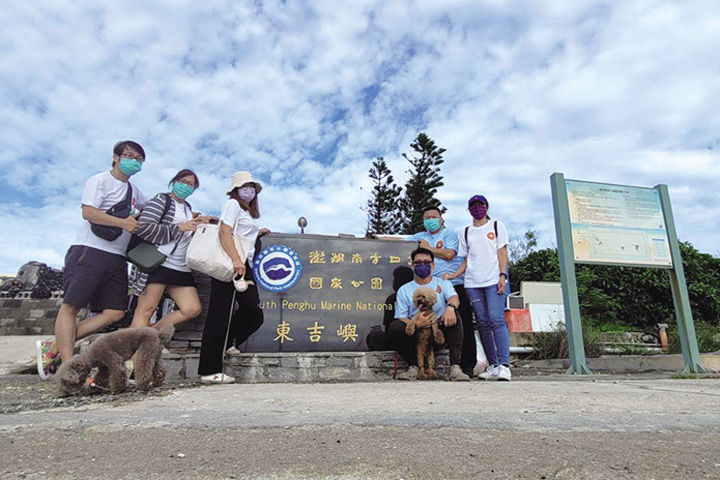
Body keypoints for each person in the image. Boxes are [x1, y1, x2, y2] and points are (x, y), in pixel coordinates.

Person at [36, 140, 148, 380]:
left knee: (116, 312)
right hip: (90, 250)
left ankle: (54, 346)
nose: (134, 162)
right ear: (116, 157)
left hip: (117, 257)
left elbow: (152, 214)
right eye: (130, 156)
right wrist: (122, 223)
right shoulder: (99, 181)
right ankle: (68, 368)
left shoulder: (136, 193)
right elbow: (88, 212)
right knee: (72, 306)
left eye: (139, 159)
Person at [197, 172, 270, 384]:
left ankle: (228, 342)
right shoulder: (232, 205)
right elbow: (224, 232)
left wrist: (258, 232)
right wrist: (236, 260)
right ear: (236, 190)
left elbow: (239, 232)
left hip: (243, 264)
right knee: (220, 313)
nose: (249, 190)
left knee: (253, 311)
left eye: (252, 187)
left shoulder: (244, 212)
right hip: (232, 262)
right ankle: (209, 371)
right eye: (244, 186)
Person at [129, 169, 213, 330]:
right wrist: (179, 227)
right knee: (146, 310)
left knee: (192, 308)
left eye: (191, 184)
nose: (186, 186)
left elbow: (185, 230)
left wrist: (197, 223)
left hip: (180, 266)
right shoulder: (161, 200)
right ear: (174, 182)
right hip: (158, 261)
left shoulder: (187, 208)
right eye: (183, 181)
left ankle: (152, 335)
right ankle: (133, 352)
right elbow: (143, 228)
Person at [445, 195, 511, 381]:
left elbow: (502, 252)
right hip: (473, 283)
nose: (477, 209)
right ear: (469, 210)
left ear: (486, 207)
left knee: (496, 320)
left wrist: (503, 275)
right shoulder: (465, 231)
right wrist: (455, 275)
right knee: (482, 323)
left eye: (480, 205)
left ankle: (505, 365)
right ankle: (493, 365)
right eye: (473, 206)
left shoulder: (497, 226)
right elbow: (466, 260)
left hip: (493, 281)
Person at [409, 206, 478, 377]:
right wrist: (374, 238)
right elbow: (399, 240)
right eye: (426, 217)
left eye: (433, 216)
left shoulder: (449, 235)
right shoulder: (420, 237)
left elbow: (449, 254)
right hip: (430, 287)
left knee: (463, 324)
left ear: (441, 219)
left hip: (453, 284)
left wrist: (428, 249)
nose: (430, 220)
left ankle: (467, 366)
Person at [389, 247, 470, 381]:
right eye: (418, 263)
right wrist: (416, 323)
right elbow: (401, 317)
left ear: (433, 265)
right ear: (412, 266)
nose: (422, 266)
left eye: (426, 262)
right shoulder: (404, 290)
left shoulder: (443, 283)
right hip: (415, 334)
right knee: (395, 327)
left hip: (437, 330)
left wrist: (450, 307)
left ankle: (455, 367)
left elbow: (454, 298)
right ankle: (413, 367)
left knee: (455, 316)